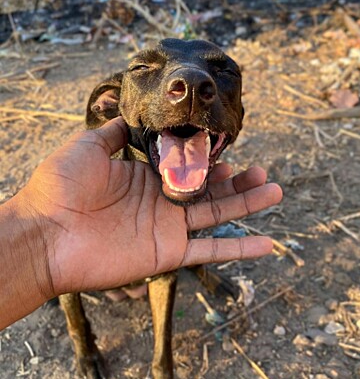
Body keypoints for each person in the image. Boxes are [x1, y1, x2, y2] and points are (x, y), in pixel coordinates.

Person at [0, 117, 282, 330]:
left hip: (160, 237)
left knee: (184, 239)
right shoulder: (78, 197)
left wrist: (38, 251)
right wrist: (39, 240)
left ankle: (197, 270)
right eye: (143, 70)